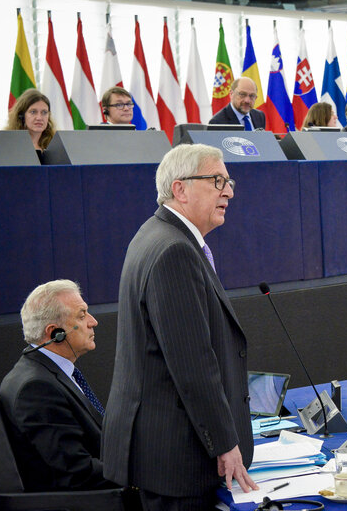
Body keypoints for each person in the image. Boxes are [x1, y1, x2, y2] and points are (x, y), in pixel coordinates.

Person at [103, 144, 257, 509]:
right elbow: (192, 365)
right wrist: (224, 442)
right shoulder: (174, 250)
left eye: (229, 181)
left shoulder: (156, 233)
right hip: (176, 460)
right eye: (218, 180)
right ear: (180, 188)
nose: (229, 191)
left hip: (163, 453)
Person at [0, 280, 113, 491]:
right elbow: (76, 472)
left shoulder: (46, 373)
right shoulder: (36, 388)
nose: (93, 321)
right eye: (82, 315)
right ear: (55, 333)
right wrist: (139, 472)